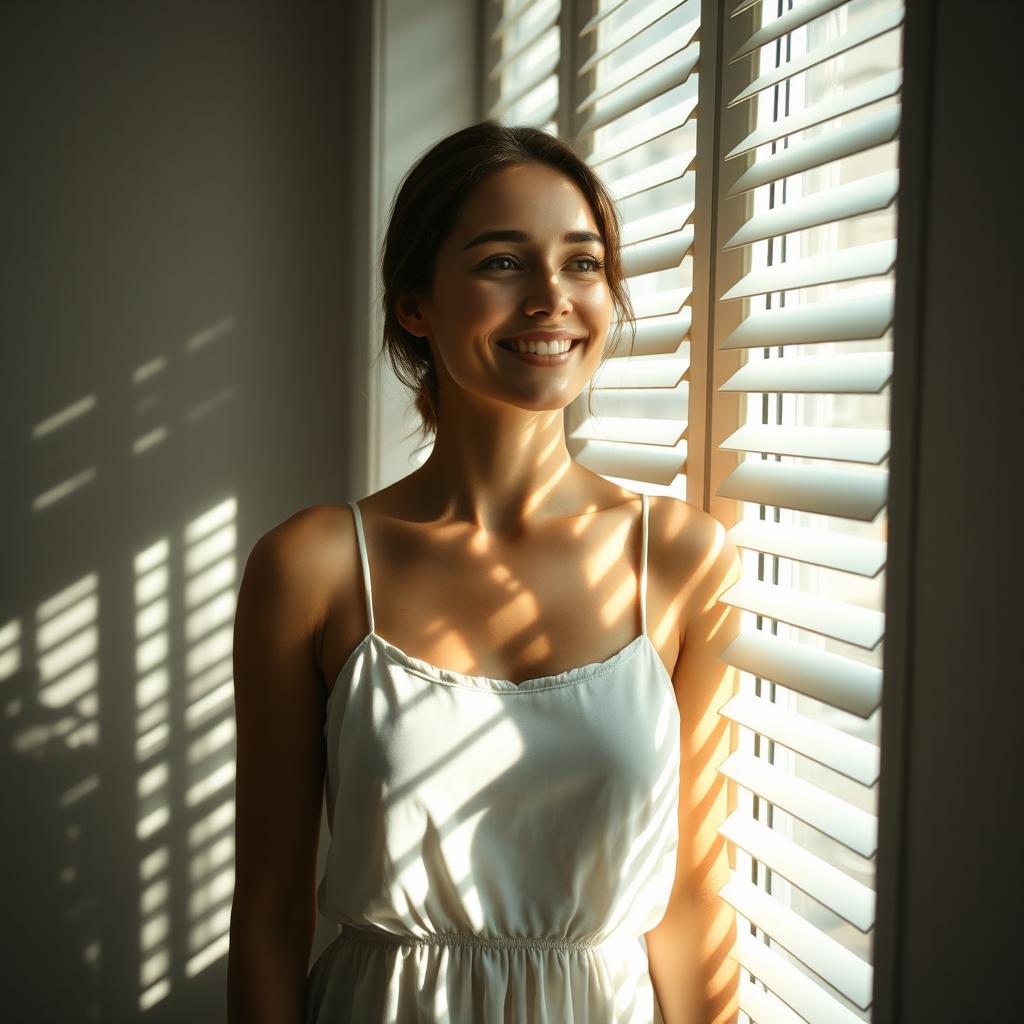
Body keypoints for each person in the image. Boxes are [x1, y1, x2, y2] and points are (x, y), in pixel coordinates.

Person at [227, 120, 741, 1024]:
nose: (552, 297)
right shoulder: (311, 567)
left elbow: (691, 903)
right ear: (414, 304)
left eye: (582, 263)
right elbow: (269, 913)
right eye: (503, 262)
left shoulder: (682, 559)